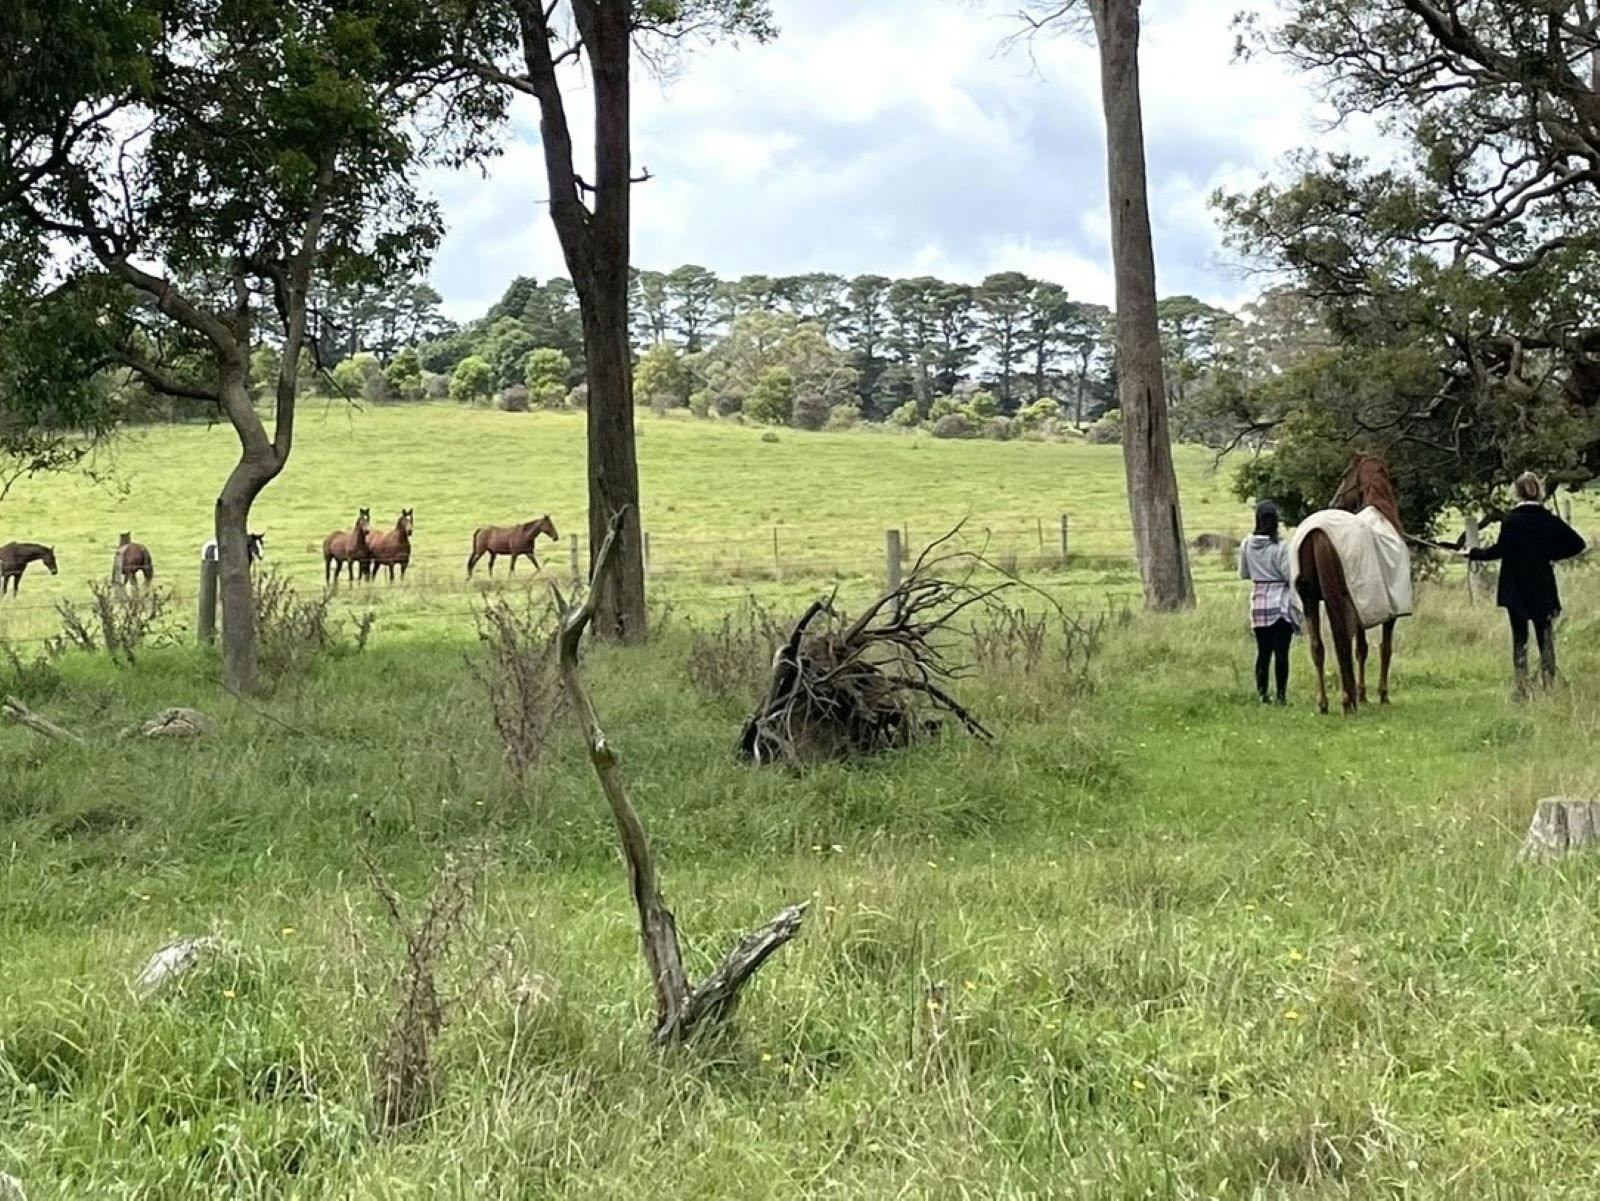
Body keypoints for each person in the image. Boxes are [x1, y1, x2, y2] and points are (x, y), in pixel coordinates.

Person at [1463, 472, 1585, 698]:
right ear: (1538, 491)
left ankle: (1521, 687)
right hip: (1542, 587)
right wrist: (1551, 555)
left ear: (1516, 492)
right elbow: (1578, 543)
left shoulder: (1512, 520)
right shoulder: (1548, 519)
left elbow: (1499, 551)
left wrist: (1474, 553)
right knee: (1545, 637)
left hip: (1516, 587)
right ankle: (1549, 686)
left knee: (1520, 638)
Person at [1239, 500, 1298, 704]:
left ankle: (1263, 695)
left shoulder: (1247, 544)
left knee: (1263, 652)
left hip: (1259, 600)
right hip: (1280, 600)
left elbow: (1243, 573)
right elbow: (1288, 574)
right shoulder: (1281, 547)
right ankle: (1281, 696)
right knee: (1282, 652)